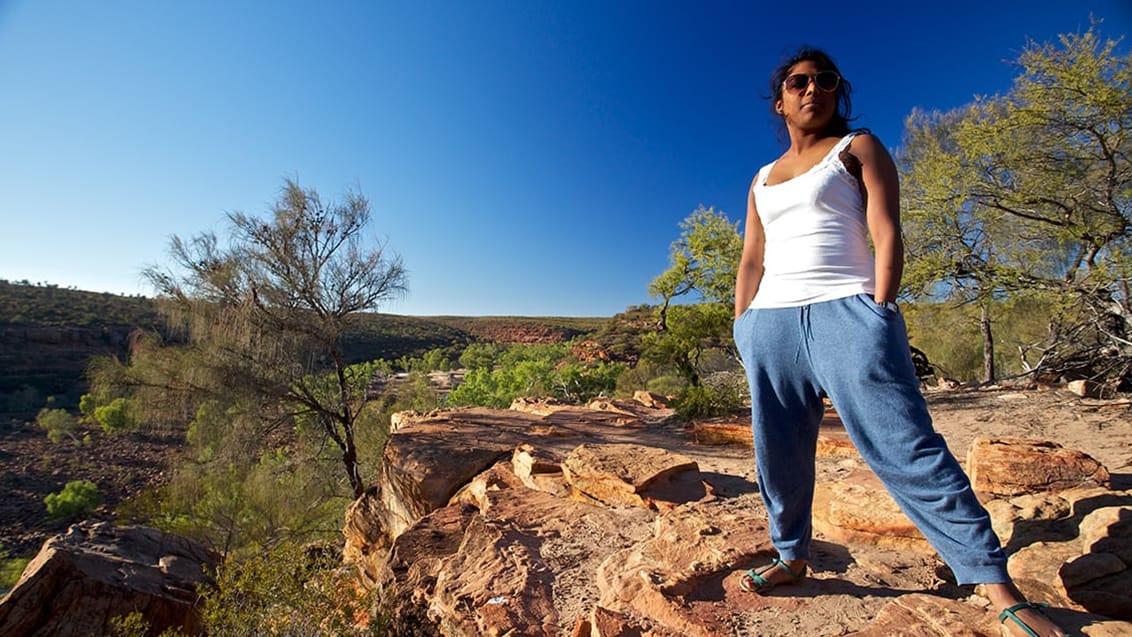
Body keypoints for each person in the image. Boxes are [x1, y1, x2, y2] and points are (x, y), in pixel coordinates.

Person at [731, 47, 1064, 637]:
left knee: (905, 446)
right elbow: (752, 256)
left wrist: (879, 307)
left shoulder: (856, 148)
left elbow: (886, 227)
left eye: (826, 81)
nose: (814, 90)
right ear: (779, 98)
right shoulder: (761, 178)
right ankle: (791, 556)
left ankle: (996, 585)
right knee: (776, 452)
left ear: (838, 92)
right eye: (799, 82)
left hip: (848, 313)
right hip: (771, 324)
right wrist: (744, 323)